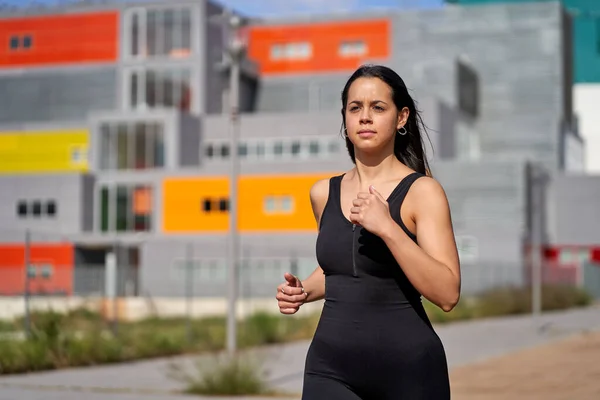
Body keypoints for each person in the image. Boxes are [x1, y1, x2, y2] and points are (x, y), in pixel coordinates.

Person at [275, 64, 461, 399]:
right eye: (355, 108)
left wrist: (388, 228)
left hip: (409, 373)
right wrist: (303, 290)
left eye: (378, 108)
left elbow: (447, 294)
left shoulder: (422, 192)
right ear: (344, 118)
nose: (365, 117)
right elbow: (344, 269)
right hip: (329, 370)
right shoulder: (322, 193)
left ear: (401, 118)